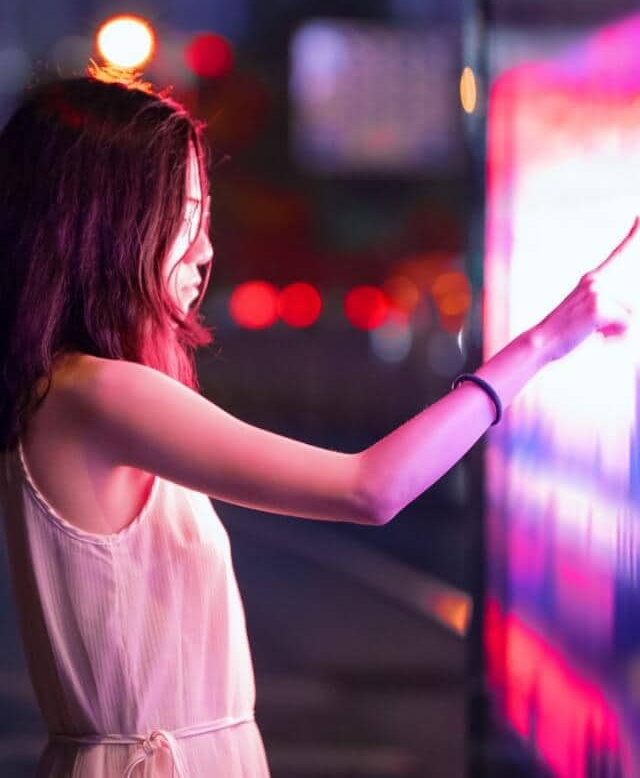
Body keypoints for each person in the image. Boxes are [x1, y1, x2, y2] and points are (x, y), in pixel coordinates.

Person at [0, 65, 637, 778]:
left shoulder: (71, 392)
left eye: (204, 215)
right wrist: (547, 341)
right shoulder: (98, 396)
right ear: (105, 222)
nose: (204, 249)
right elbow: (370, 489)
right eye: (183, 214)